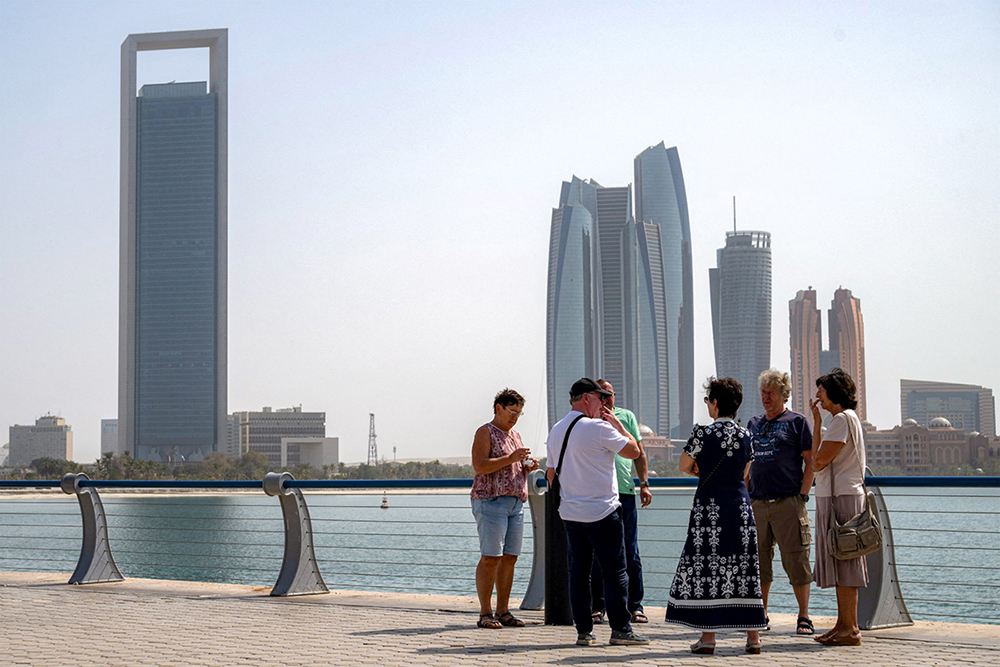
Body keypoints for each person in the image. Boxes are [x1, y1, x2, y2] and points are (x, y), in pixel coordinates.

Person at [665, 377, 767, 655]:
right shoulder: (747, 436)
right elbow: (746, 473)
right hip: (739, 507)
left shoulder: (702, 433)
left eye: (708, 400)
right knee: (745, 566)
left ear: (716, 403)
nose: (707, 405)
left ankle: (708, 638)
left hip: (708, 509)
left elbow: (684, 465)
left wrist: (701, 470)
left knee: (708, 565)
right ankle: (753, 637)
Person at [545, 378, 649, 647]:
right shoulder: (598, 428)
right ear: (587, 397)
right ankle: (621, 630)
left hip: (570, 513)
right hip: (602, 511)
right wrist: (617, 424)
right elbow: (634, 451)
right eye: (600, 398)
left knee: (578, 573)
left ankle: (583, 632)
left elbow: (550, 474)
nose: (604, 403)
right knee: (615, 572)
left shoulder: (556, 430)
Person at [746, 369, 815, 634]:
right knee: (759, 561)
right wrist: (746, 494)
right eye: (763, 392)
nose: (766, 397)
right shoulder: (753, 424)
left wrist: (803, 495)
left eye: (771, 393)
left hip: (789, 501)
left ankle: (804, 615)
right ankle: (761, 614)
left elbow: (811, 461)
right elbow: (745, 464)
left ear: (784, 395)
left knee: (797, 559)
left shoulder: (797, 422)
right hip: (758, 503)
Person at [470, 388, 538, 629]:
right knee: (490, 557)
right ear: (498, 408)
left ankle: (503, 611)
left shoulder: (515, 435)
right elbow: (480, 466)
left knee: (510, 558)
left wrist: (526, 466)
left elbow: (510, 466)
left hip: (515, 503)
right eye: (512, 412)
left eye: (519, 413)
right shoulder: (485, 432)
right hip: (490, 500)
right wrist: (511, 459)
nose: (515, 417)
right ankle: (485, 613)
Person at [810, 368, 868, 647]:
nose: (818, 395)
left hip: (840, 499)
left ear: (834, 393)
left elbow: (818, 462)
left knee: (845, 562)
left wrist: (818, 426)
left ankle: (850, 629)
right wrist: (817, 420)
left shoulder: (842, 420)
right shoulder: (843, 420)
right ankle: (844, 624)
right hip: (839, 496)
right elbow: (818, 459)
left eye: (821, 390)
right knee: (842, 560)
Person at [589, 379, 652, 626]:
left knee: (630, 550)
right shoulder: (589, 419)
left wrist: (644, 484)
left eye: (610, 394)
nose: (606, 399)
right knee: (597, 553)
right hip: (600, 493)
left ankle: (635, 606)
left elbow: (640, 452)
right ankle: (598, 606)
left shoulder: (626, 417)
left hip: (625, 493)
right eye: (601, 395)